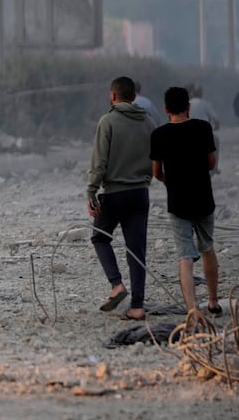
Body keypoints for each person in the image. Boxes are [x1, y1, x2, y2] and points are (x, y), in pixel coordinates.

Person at [86, 76, 155, 321]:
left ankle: (117, 285)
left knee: (100, 238)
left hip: (114, 193)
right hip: (140, 193)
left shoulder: (108, 121)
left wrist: (91, 191)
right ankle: (137, 306)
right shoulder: (148, 121)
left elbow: (100, 161)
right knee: (136, 250)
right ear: (134, 96)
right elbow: (155, 158)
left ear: (113, 96)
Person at [150, 86, 221, 316]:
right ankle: (212, 301)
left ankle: (191, 309)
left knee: (185, 255)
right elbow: (211, 162)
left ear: (166, 109)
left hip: (177, 201)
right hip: (203, 198)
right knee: (208, 247)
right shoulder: (203, 128)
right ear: (188, 107)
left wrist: (170, 181)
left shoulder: (159, 135)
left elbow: (157, 172)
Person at [188, 84, 220, 174]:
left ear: (192, 94)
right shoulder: (206, 104)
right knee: (216, 142)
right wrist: (216, 127)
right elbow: (216, 119)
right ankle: (215, 168)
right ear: (202, 94)